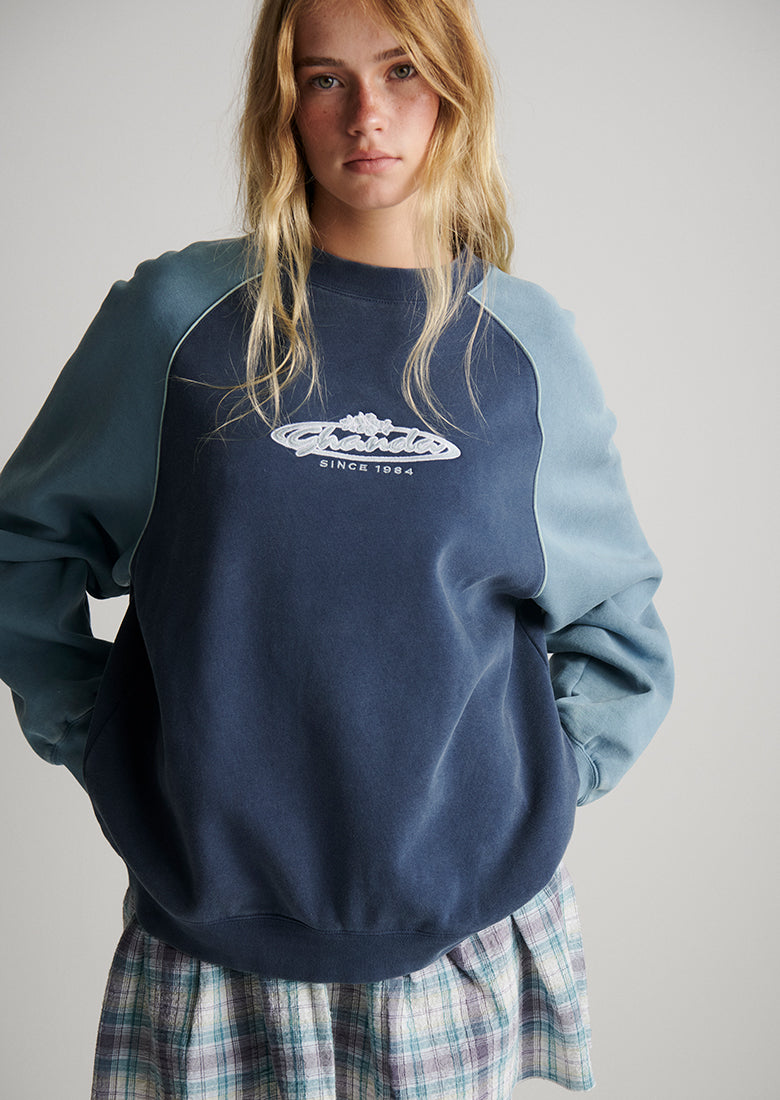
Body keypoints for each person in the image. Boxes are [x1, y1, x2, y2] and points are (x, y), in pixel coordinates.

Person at [0, 0, 673, 1095]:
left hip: (456, 952)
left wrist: (521, 797)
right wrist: (105, 742)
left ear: (456, 88)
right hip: (208, 955)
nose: (368, 114)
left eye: (403, 71)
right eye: (326, 78)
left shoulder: (526, 348)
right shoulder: (177, 321)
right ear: (283, 103)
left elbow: (621, 634)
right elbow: (23, 550)